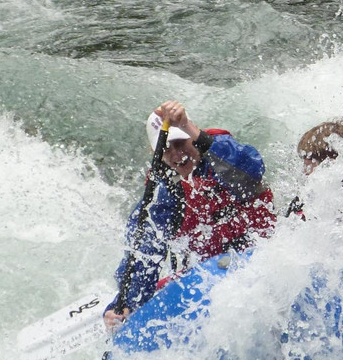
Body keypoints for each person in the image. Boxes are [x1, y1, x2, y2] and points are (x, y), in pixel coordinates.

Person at [103, 100, 277, 328]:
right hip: (213, 275)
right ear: (156, 154)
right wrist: (126, 303)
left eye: (180, 143)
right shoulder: (164, 194)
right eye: (166, 148)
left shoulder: (222, 155)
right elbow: (144, 253)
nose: (177, 154)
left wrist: (187, 126)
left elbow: (253, 167)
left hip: (265, 255)